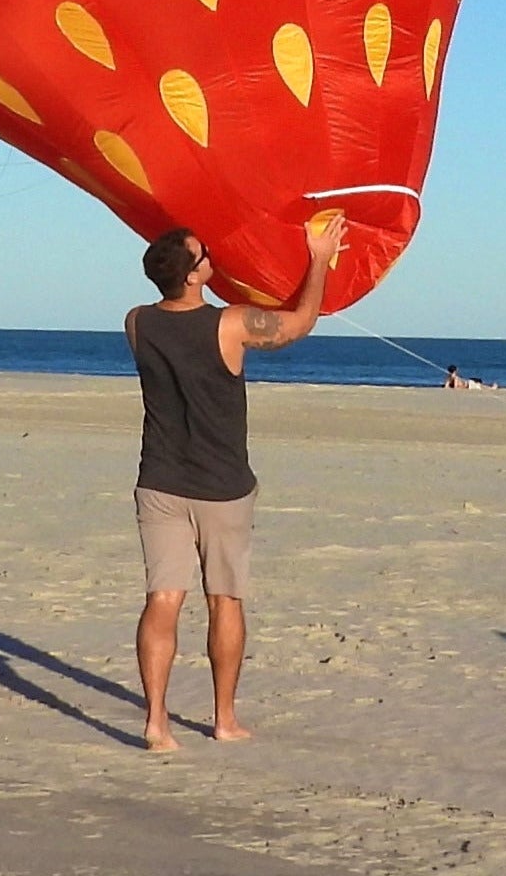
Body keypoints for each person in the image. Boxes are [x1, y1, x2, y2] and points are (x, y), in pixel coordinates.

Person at [125, 214, 348, 751]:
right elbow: (298, 324)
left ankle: (157, 723)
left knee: (163, 598)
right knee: (225, 599)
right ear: (191, 275)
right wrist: (318, 258)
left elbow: (177, 312)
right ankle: (223, 719)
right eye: (203, 257)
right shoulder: (229, 324)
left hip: (159, 482)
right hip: (220, 487)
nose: (212, 260)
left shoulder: (136, 321)